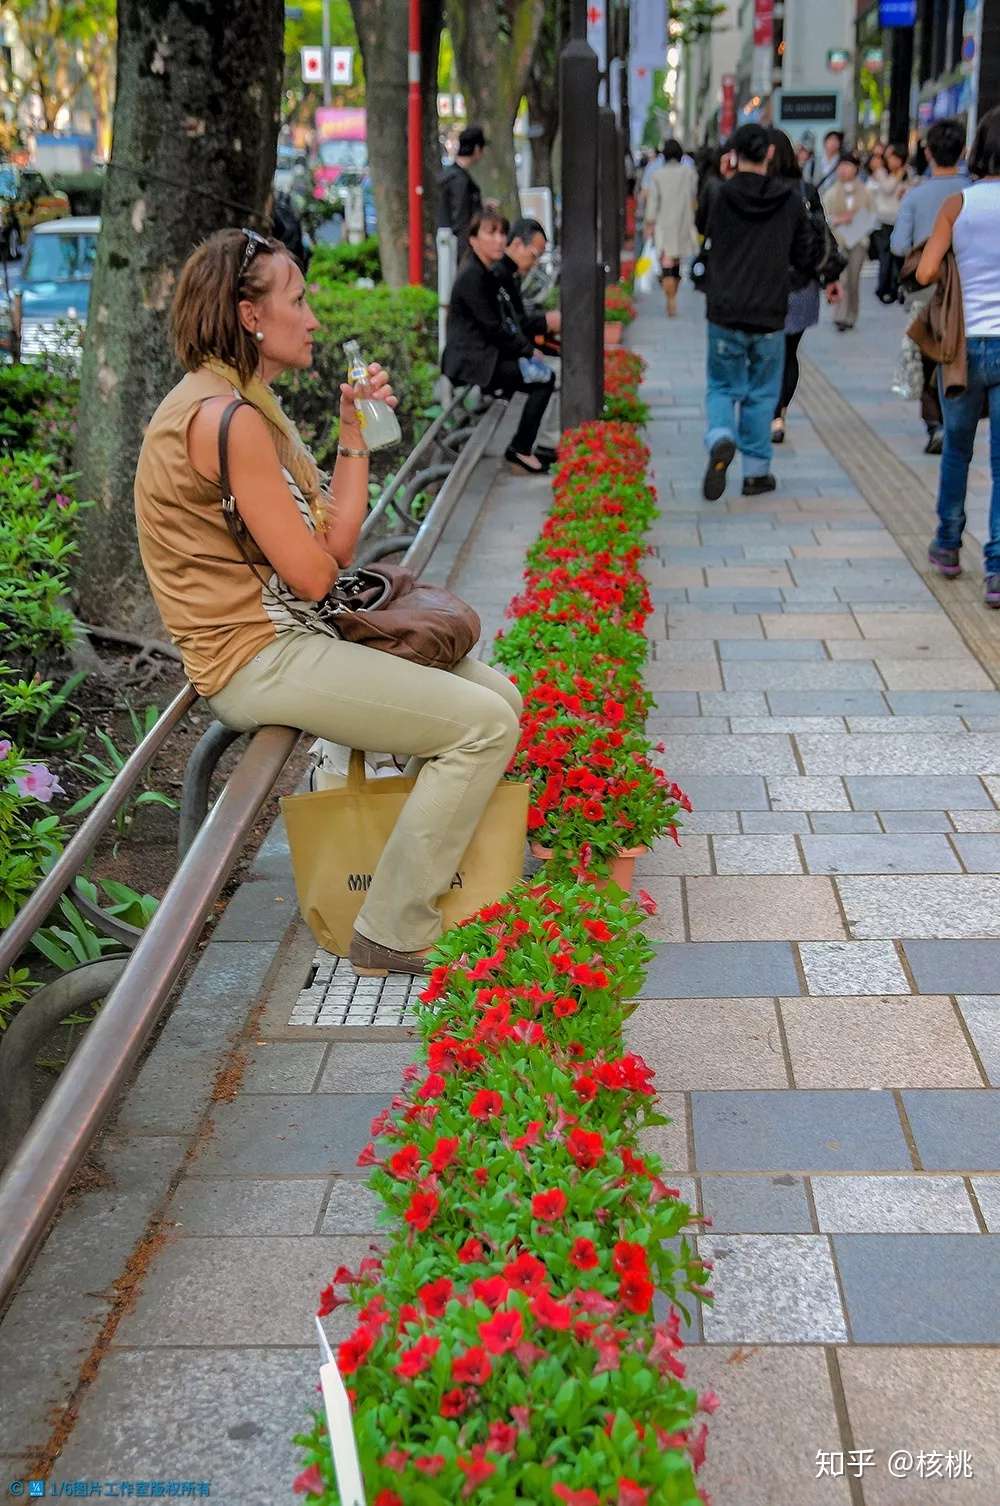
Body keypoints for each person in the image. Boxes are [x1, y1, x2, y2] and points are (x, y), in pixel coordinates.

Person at [134, 228, 522, 977]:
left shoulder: (248, 405)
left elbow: (335, 547)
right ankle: (392, 927)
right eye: (299, 300)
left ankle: (435, 875)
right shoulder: (225, 421)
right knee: (478, 726)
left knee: (501, 696)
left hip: (293, 635)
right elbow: (315, 578)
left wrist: (352, 432)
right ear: (250, 315)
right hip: (254, 655)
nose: (313, 318)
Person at [696, 122, 817, 501]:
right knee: (762, 393)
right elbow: (804, 254)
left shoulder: (720, 194)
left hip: (725, 309)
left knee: (721, 384)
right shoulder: (788, 198)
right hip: (769, 310)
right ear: (768, 154)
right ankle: (756, 473)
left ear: (733, 154)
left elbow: (704, 231)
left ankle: (720, 435)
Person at [917, 105, 1000, 609]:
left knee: (958, 450)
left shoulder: (957, 204)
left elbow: (925, 273)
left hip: (964, 348)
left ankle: (948, 546)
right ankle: (997, 570)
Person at [442, 209, 555, 474]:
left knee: (542, 375)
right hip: (474, 363)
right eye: (490, 233)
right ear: (473, 239)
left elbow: (505, 325)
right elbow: (494, 328)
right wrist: (528, 352)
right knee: (544, 378)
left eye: (502, 233)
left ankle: (523, 447)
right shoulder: (474, 276)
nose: (499, 240)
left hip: (485, 358)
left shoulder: (485, 272)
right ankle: (520, 449)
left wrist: (526, 350)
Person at [891, 116, 969, 454]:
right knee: (959, 356)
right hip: (968, 291)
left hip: (926, 290)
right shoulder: (975, 191)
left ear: (928, 152)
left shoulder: (915, 196)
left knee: (927, 354)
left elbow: (897, 244)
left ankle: (935, 423)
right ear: (963, 150)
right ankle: (956, 417)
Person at [766, 128, 842, 445]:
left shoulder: (757, 191)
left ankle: (768, 411)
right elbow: (821, 235)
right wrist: (831, 278)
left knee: (768, 352)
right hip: (801, 284)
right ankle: (778, 413)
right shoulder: (805, 190)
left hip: (764, 285)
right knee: (788, 352)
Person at [497, 216, 562, 463]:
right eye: (534, 255)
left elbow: (516, 321)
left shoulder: (508, 273)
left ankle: (541, 442)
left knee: (553, 369)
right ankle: (536, 444)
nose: (534, 263)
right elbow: (513, 324)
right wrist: (545, 323)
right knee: (550, 375)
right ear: (515, 244)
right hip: (496, 357)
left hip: (507, 351)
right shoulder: (499, 274)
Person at [643, 138, 698, 317]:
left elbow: (653, 203)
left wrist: (649, 223)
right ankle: (673, 296)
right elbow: (693, 197)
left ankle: (670, 299)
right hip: (683, 223)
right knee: (676, 263)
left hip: (663, 225)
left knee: (666, 263)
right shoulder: (689, 173)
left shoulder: (657, 176)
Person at [823, 153, 875, 331]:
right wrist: (838, 219)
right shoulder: (830, 192)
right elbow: (824, 218)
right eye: (841, 165)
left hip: (859, 241)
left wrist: (858, 220)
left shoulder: (866, 191)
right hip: (838, 241)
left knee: (853, 279)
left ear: (856, 168)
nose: (844, 170)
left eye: (848, 165)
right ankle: (840, 315)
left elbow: (873, 215)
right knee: (841, 278)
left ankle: (852, 314)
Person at [438, 125, 487, 263]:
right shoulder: (460, 180)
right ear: (477, 149)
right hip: (460, 248)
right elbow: (461, 219)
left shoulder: (450, 176)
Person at [869, 143, 911, 302]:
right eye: (890, 157)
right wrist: (898, 176)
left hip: (900, 220)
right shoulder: (881, 172)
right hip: (884, 220)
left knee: (898, 255)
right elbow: (887, 188)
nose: (892, 160)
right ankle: (883, 289)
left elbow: (910, 189)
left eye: (895, 157)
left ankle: (896, 287)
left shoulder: (907, 173)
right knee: (885, 256)